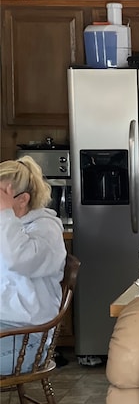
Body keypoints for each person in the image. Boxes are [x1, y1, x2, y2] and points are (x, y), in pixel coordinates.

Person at [0, 155, 66, 375]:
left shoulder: (46, 230)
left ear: (22, 199)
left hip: (29, 338)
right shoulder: (7, 228)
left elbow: (18, 261)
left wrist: (5, 215)